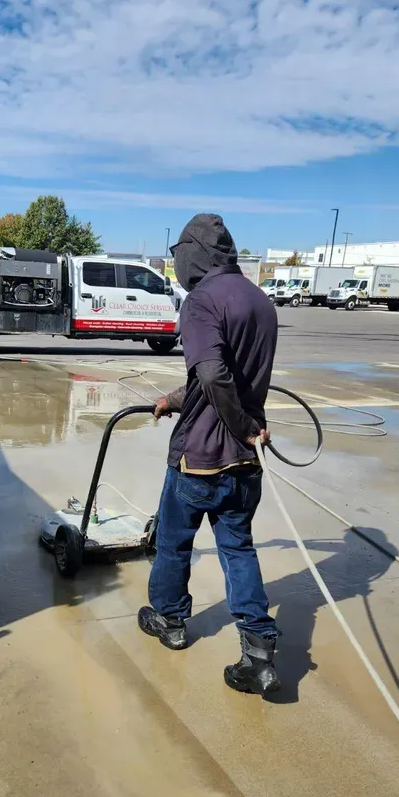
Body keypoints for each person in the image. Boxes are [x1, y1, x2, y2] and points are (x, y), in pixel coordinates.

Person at [138, 214, 280, 696]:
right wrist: (172, 400)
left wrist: (240, 428)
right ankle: (259, 652)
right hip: (246, 462)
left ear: (192, 254)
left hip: (201, 458)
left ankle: (170, 620)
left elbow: (216, 376)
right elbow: (213, 380)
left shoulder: (201, 301)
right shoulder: (260, 301)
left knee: (174, 543)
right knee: (238, 548)